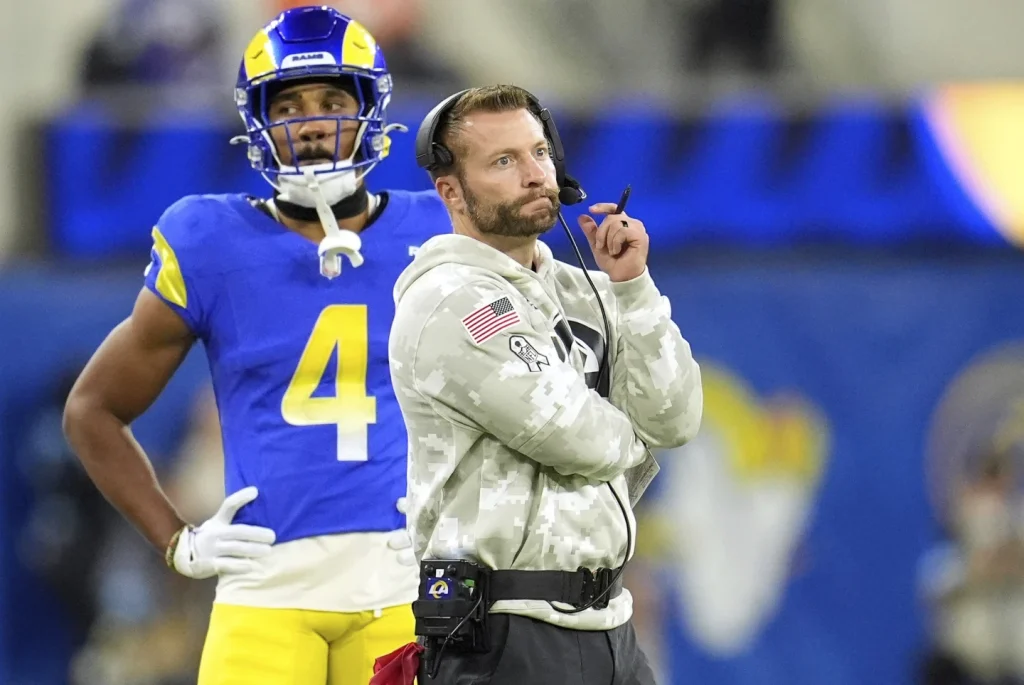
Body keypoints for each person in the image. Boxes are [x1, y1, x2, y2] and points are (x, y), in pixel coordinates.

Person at [62, 6, 449, 685]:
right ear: (258, 121)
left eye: (332, 99)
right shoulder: (210, 240)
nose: (311, 122)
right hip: (267, 587)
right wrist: (177, 540)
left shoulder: (439, 230)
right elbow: (92, 410)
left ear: (371, 112)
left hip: (403, 580)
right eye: (290, 104)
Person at [385, 85, 703, 684]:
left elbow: (678, 418)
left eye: (539, 153)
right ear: (450, 190)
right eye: (504, 161)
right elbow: (581, 441)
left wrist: (633, 287)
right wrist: (633, 429)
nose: (535, 175)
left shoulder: (583, 285)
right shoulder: (449, 299)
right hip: (505, 632)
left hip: (611, 625)